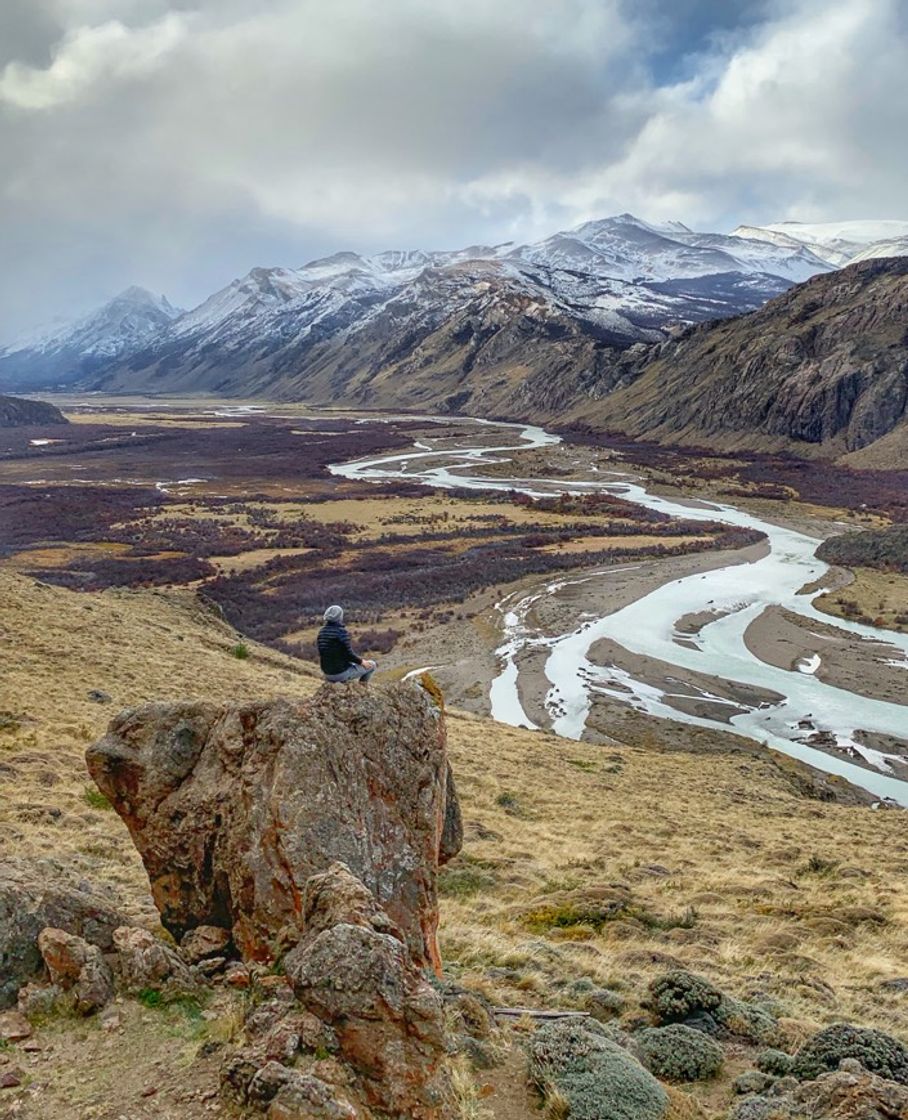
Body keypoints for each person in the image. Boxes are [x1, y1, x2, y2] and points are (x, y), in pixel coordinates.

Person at [316, 605, 377, 684]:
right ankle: (362, 689)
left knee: (350, 664)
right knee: (372, 665)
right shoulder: (341, 632)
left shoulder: (322, 632)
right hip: (340, 673)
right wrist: (362, 662)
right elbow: (349, 654)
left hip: (327, 673)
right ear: (339, 617)